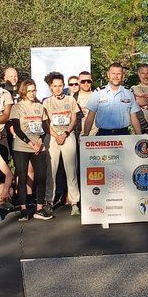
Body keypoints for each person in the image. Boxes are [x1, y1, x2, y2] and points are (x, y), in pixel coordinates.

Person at [9, 79, 53, 220]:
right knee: (22, 176)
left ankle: (39, 207)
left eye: (34, 90)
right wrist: (30, 143)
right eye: (29, 91)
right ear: (23, 92)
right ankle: (23, 208)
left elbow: (44, 127)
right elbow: (17, 128)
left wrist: (39, 141)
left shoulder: (40, 107)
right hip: (22, 146)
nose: (32, 93)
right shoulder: (17, 107)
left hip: (39, 146)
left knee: (41, 176)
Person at [43, 72, 82, 214]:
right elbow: (45, 123)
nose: (58, 88)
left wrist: (65, 134)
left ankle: (74, 202)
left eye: (60, 86)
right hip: (52, 136)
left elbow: (74, 119)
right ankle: (49, 201)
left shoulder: (70, 100)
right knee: (51, 171)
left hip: (67, 135)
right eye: (55, 86)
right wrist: (56, 136)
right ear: (50, 87)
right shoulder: (46, 102)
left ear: (64, 86)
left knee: (71, 170)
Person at [83, 63, 141, 136]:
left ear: (122, 75)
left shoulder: (129, 93)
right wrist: (85, 135)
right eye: (113, 73)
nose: (116, 76)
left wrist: (140, 137)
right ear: (108, 75)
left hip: (123, 134)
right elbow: (90, 116)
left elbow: (134, 117)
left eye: (119, 74)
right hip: (103, 134)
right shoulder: (98, 92)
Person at [131, 64, 148, 134]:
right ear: (139, 74)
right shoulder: (133, 89)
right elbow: (136, 102)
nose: (145, 76)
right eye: (143, 73)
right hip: (141, 128)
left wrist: (141, 101)